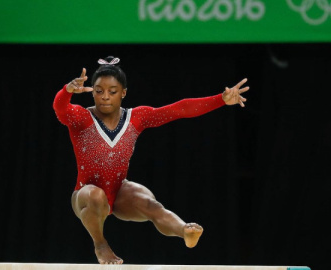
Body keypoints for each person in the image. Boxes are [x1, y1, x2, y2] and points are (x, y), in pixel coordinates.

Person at [53, 56, 249, 264]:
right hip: (85, 194)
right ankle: (100, 244)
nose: (105, 97)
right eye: (99, 91)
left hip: (119, 192)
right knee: (95, 195)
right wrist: (67, 91)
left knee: (150, 204)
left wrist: (221, 99)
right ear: (92, 91)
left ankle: (184, 231)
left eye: (112, 92)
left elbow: (178, 110)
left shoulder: (136, 118)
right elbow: (60, 109)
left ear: (123, 93)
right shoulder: (81, 118)